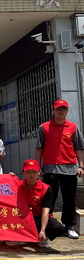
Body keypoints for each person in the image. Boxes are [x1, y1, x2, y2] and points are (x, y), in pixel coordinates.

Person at [36, 99, 84, 239]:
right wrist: (38, 166)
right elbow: (39, 148)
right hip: (50, 168)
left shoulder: (73, 127)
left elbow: (79, 148)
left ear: (67, 111)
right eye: (58, 109)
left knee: (69, 198)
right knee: (49, 198)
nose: (60, 111)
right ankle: (48, 226)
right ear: (53, 111)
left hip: (70, 168)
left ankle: (69, 226)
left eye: (63, 109)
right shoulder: (44, 127)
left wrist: (81, 166)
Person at [5, 159, 67, 248]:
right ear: (23, 172)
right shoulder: (17, 185)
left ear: (39, 172)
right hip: (21, 217)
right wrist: (9, 178)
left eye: (34, 172)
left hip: (38, 218)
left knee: (58, 228)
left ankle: (43, 236)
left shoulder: (46, 189)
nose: (31, 175)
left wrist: (43, 230)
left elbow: (45, 211)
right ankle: (23, 237)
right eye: (28, 172)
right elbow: (2, 189)